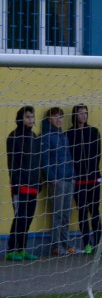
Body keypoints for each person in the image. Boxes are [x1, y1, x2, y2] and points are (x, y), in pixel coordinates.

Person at [5, 106, 42, 261]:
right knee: (20, 217)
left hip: (33, 184)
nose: (30, 120)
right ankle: (11, 250)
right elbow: (12, 163)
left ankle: (22, 249)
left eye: (32, 117)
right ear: (21, 118)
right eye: (27, 117)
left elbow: (37, 161)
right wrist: (16, 183)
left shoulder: (34, 137)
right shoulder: (13, 137)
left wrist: (39, 181)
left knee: (28, 217)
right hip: (20, 185)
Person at [66, 103, 102, 254]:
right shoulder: (69, 134)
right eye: (81, 113)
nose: (84, 116)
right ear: (75, 115)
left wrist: (92, 171)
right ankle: (87, 243)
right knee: (82, 211)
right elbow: (69, 156)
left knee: (94, 210)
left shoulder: (94, 131)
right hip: (78, 179)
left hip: (93, 178)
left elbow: (97, 153)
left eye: (85, 113)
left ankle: (99, 244)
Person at [39, 106, 75, 256]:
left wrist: (73, 176)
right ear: (49, 119)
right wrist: (52, 178)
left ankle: (66, 244)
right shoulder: (46, 137)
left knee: (67, 215)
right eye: (56, 117)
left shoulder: (64, 136)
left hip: (68, 180)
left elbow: (68, 157)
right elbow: (44, 160)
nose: (59, 120)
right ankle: (56, 246)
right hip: (57, 181)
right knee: (58, 214)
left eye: (61, 117)